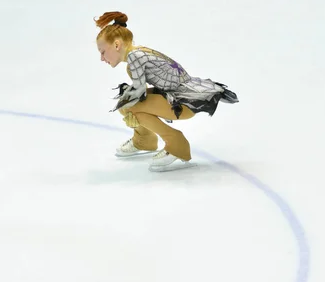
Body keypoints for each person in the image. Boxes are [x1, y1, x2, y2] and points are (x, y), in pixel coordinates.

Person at [94, 11, 239, 171]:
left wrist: (126, 104)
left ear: (116, 45)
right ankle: (144, 141)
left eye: (103, 52)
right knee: (126, 107)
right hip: (176, 96)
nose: (102, 58)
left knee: (130, 108)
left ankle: (177, 145)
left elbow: (139, 92)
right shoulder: (137, 52)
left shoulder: (135, 57)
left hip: (182, 102)